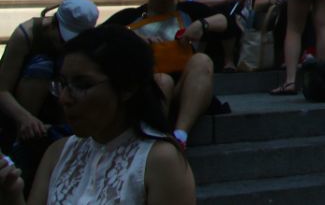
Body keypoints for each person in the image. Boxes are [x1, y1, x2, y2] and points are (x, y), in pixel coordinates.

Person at [0, 25, 195, 205]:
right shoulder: (58, 152)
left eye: (82, 85)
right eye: (62, 84)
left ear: (127, 87)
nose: (64, 99)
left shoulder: (161, 160)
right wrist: (12, 194)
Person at [104, 0, 227, 149]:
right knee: (163, 80)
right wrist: (132, 40)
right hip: (149, 87)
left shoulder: (189, 11)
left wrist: (201, 24)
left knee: (202, 60)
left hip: (187, 86)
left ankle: (180, 134)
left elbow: (225, 21)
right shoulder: (129, 17)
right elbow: (98, 38)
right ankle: (156, 134)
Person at [0, 0, 97, 148]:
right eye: (64, 41)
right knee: (42, 66)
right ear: (52, 24)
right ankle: (21, 138)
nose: (67, 46)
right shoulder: (27, 35)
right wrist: (26, 119)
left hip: (57, 107)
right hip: (23, 106)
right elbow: (2, 90)